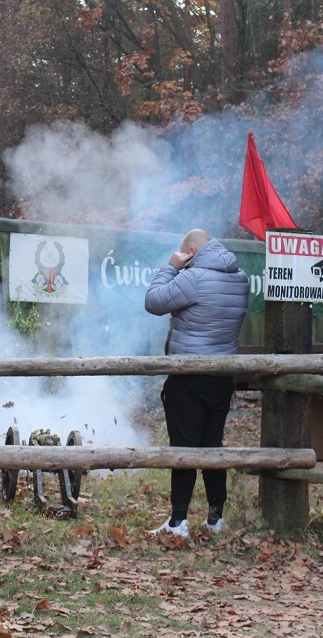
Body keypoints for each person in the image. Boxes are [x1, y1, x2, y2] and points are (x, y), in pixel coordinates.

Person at [144, 228, 249, 537]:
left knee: (184, 449)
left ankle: (178, 521)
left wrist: (172, 266)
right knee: (212, 447)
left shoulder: (193, 277)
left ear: (190, 250)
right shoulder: (240, 278)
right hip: (221, 377)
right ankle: (216, 518)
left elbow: (153, 301)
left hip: (188, 376)